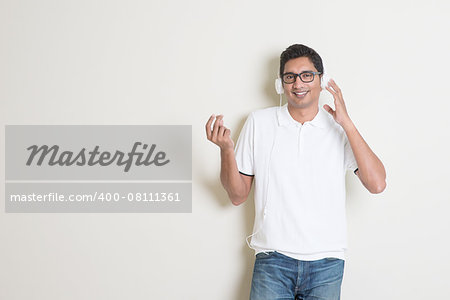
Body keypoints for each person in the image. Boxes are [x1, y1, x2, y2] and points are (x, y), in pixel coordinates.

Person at [205, 44, 386, 300]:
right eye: (290, 77)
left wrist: (347, 123)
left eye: (306, 75)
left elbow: (377, 183)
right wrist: (226, 151)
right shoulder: (259, 122)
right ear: (281, 84)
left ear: (321, 80)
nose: (298, 83)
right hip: (273, 260)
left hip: (327, 262)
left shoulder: (339, 129)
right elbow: (237, 195)